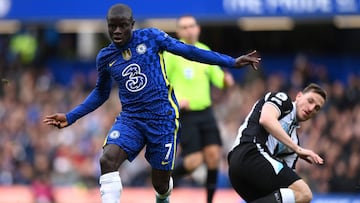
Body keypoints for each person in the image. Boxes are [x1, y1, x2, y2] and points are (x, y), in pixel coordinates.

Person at [43, 3, 260, 203]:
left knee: (161, 184)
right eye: (112, 27)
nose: (117, 31)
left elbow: (190, 52)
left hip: (163, 119)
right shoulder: (106, 57)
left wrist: (231, 62)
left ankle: (163, 196)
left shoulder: (151, 38)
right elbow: (101, 93)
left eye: (122, 26)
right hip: (131, 119)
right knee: (107, 159)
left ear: (132, 25)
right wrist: (70, 116)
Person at [163, 15, 234, 203]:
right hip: (185, 114)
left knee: (213, 157)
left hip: (206, 112)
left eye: (191, 26)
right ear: (178, 32)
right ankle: (164, 181)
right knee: (193, 162)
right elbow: (162, 81)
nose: (189, 30)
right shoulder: (172, 53)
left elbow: (217, 78)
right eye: (184, 27)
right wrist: (175, 100)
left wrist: (226, 82)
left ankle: (209, 201)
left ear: (198, 28)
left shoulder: (204, 50)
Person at [228, 83, 327, 203]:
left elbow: (287, 184)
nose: (311, 108)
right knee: (304, 193)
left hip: (241, 172)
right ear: (299, 96)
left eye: (317, 108)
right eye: (310, 101)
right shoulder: (283, 100)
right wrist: (298, 149)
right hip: (249, 152)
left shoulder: (293, 140)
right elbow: (266, 119)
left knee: (292, 197)